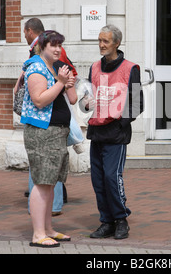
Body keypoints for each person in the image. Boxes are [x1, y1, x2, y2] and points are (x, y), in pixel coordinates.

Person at [83, 25, 143, 240]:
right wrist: (86, 103)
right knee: (98, 180)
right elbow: (87, 98)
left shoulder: (130, 68)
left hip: (116, 134)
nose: (101, 45)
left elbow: (137, 104)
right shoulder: (94, 67)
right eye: (99, 40)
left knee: (111, 177)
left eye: (106, 41)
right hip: (96, 131)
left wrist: (120, 122)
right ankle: (106, 222)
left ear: (117, 43)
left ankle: (120, 220)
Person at [21, 30, 77, 247]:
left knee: (51, 183)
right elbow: (39, 101)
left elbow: (72, 100)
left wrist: (68, 82)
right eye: (52, 45)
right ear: (41, 46)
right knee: (42, 182)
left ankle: (48, 229)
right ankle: (38, 234)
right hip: (42, 134)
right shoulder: (35, 68)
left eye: (59, 45)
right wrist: (60, 83)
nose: (56, 49)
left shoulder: (53, 68)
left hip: (57, 133)